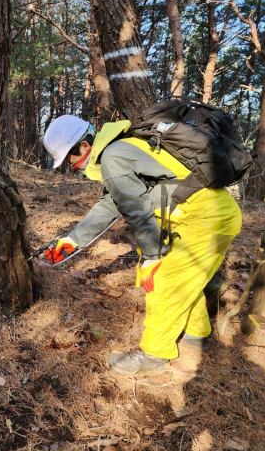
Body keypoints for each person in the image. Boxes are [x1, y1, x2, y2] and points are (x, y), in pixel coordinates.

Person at [42, 115, 242, 374]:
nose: (71, 167)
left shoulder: (114, 156)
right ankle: (196, 335)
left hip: (206, 221)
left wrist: (151, 256)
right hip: (208, 217)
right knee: (185, 281)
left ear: (84, 146)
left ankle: (154, 354)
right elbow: (114, 201)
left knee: (162, 283)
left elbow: (136, 209)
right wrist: (73, 239)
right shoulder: (120, 149)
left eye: (68, 160)